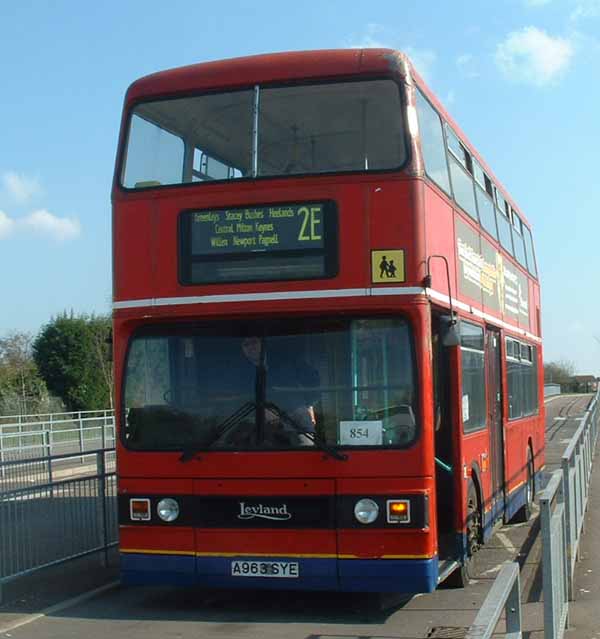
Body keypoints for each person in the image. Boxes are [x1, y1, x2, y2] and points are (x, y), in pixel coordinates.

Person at [218, 336, 318, 447]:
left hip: (291, 412)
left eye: (254, 342)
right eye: (246, 345)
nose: (251, 347)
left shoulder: (285, 359)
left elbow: (312, 381)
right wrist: (262, 410)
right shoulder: (237, 370)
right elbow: (237, 395)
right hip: (252, 413)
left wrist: (309, 405)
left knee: (302, 416)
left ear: (263, 343)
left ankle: (307, 450)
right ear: (242, 349)